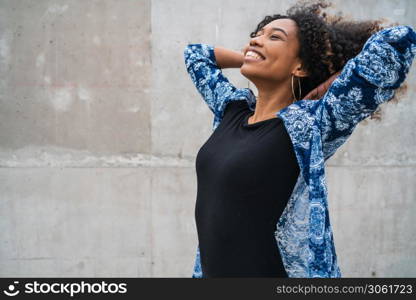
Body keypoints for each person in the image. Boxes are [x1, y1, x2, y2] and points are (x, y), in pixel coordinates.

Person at [183, 0, 416, 278]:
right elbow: (195, 55)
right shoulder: (231, 109)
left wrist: (329, 84)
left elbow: (399, 40)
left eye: (274, 37)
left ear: (300, 66)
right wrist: (248, 56)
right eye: (256, 36)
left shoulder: (312, 123)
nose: (256, 41)